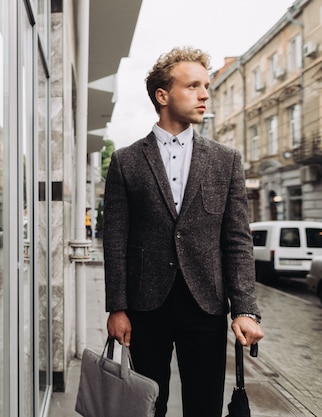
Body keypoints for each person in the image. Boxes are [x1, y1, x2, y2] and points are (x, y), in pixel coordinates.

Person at [103, 46, 264, 417]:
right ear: (163, 95)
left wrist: (245, 310)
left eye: (205, 85)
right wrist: (117, 307)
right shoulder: (126, 161)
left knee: (204, 405)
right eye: (193, 86)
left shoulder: (226, 160)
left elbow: (237, 240)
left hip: (205, 304)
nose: (205, 94)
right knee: (146, 405)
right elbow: (115, 241)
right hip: (145, 307)